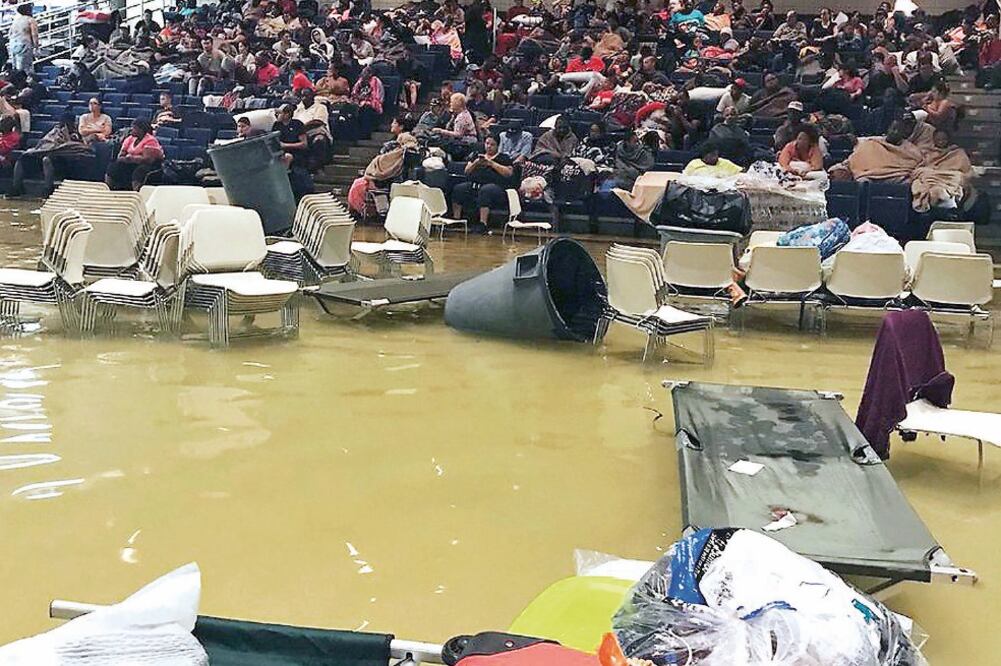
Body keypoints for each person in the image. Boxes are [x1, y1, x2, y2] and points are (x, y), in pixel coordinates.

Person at [9, 113, 90, 196]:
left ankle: (48, 189)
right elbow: (46, 142)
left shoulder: (76, 134)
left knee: (46, 159)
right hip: (44, 153)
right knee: (23, 157)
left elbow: (77, 147)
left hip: (64, 161)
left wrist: (60, 147)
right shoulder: (55, 131)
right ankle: (16, 187)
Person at [450, 134, 515, 232]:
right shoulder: (477, 155)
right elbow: (466, 171)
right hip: (475, 184)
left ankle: (483, 223)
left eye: (492, 144)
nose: (489, 146)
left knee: (486, 190)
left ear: (498, 146)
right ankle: (457, 219)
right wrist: (476, 163)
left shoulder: (504, 158)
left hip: (496, 187)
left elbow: (509, 173)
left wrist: (491, 163)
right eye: (487, 143)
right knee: (459, 188)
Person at [106, 119, 163, 191]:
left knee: (140, 171)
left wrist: (131, 158)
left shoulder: (150, 140)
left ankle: (136, 191)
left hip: (150, 165)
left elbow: (148, 160)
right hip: (132, 162)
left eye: (134, 128)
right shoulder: (130, 139)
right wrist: (127, 158)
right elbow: (121, 155)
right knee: (114, 166)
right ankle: (108, 188)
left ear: (141, 130)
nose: (132, 130)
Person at [293, 88, 330, 170]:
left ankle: (316, 167)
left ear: (312, 96)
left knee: (319, 139)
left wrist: (302, 127)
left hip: (316, 131)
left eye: (307, 96)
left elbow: (318, 121)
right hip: (300, 133)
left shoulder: (320, 107)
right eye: (302, 96)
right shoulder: (298, 109)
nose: (304, 98)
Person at [431, 92, 477, 157]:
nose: (450, 104)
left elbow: (459, 135)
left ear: (458, 103)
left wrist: (441, 131)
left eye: (452, 102)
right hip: (461, 141)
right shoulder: (459, 114)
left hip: (466, 142)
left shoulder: (462, 116)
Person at [272, 103, 308, 168]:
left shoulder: (297, 124)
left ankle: (283, 176)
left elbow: (304, 144)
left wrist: (285, 145)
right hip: (279, 152)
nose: (276, 115)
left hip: (295, 153)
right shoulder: (276, 125)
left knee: (287, 157)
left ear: (287, 114)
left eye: (279, 113)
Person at [8, 4, 39, 73]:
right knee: (26, 68)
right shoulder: (31, 20)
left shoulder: (16, 20)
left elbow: (10, 33)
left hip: (13, 44)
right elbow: (34, 35)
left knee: (15, 67)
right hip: (24, 44)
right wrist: (36, 47)